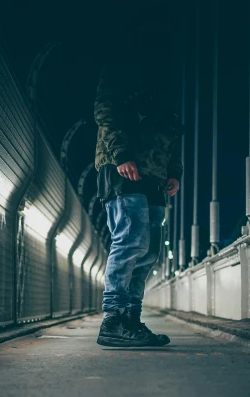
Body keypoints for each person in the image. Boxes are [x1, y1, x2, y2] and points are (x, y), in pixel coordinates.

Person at [93, 17, 182, 348]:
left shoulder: (165, 78)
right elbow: (105, 111)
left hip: (155, 175)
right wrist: (121, 154)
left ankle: (130, 320)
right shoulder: (120, 66)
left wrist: (175, 170)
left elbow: (172, 129)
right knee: (131, 242)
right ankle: (113, 320)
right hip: (123, 168)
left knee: (148, 252)